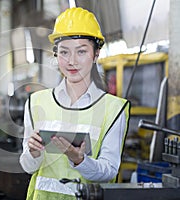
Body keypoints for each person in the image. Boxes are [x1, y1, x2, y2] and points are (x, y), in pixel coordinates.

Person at [19, 7, 131, 200]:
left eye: (81, 51)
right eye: (64, 52)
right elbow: (28, 167)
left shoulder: (113, 109)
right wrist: (33, 153)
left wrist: (79, 160)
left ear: (96, 54)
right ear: (56, 54)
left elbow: (109, 171)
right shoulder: (36, 102)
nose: (71, 61)